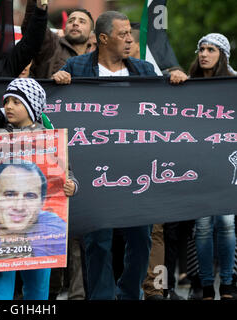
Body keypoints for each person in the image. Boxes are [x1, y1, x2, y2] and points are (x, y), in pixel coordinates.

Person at [53, 11, 157, 300]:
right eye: (122, 33)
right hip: (94, 168)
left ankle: (128, 294)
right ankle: (100, 296)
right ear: (103, 39)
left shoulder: (144, 71)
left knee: (140, 239)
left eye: (130, 33)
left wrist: (175, 79)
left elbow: (165, 107)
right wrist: (59, 80)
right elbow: (57, 106)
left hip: (136, 167)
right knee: (97, 241)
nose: (129, 39)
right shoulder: (76, 67)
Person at [0, 78, 79, 300]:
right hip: (1, 233)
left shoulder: (50, 140)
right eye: (7, 101)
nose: (9, 107)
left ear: (32, 107)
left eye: (17, 102)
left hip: (40, 233)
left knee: (37, 285)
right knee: (0, 283)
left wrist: (71, 186)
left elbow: (66, 173)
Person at [187, 33, 236, 300]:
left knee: (226, 223)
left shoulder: (233, 83)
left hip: (227, 162)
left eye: (211, 50)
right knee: (203, 226)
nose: (204, 54)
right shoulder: (188, 83)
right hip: (197, 163)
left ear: (223, 55)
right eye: (201, 49)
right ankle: (207, 286)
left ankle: (227, 284)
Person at [0, 162, 67, 263]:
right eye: (10, 195)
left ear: (41, 204)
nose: (19, 207)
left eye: (30, 196)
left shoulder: (56, 229)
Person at [22, 0, 95, 79]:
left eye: (82, 22)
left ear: (91, 33)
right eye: (70, 21)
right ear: (64, 29)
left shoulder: (95, 58)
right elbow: (33, 28)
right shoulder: (52, 43)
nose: (75, 23)